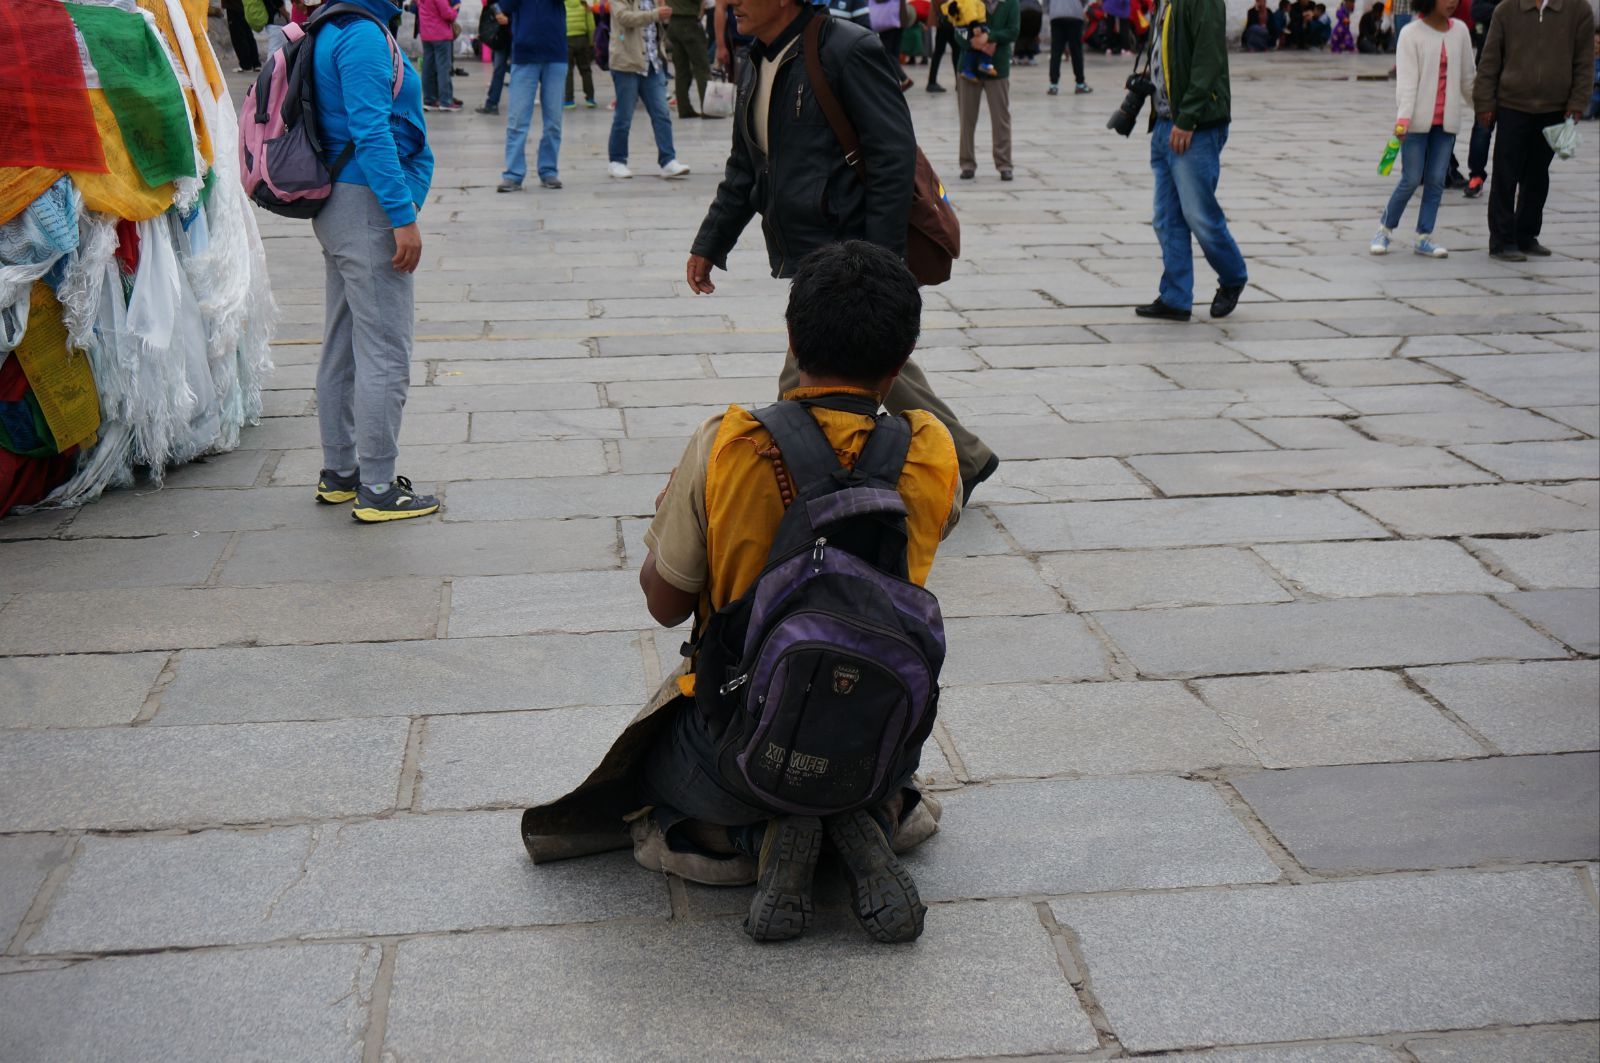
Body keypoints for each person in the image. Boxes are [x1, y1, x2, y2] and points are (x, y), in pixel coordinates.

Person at [519, 242, 958, 944]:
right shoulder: (933, 449)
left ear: (790, 337)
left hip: (738, 735)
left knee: (651, 770)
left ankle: (762, 838)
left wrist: (672, 510)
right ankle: (860, 819)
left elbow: (665, 603)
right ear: (904, 357)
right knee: (867, 750)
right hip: (869, 736)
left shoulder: (727, 444)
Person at [687, 0, 1000, 498]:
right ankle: (966, 457)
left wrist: (881, 265)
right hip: (806, 249)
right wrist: (710, 241)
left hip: (850, 247)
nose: (731, 4)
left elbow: (892, 157)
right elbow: (745, 166)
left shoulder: (849, 49)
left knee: (808, 372)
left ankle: (791, 483)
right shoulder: (755, 60)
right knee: (871, 361)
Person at [309, 0, 439, 521]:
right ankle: (379, 485)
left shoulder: (331, 26)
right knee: (385, 347)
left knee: (343, 341)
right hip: (365, 205)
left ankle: (341, 471)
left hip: (341, 203)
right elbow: (371, 130)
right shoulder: (360, 34)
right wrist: (401, 214)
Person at [1136, 0, 1249, 322]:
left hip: (1194, 126)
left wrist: (1188, 118)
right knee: (1166, 218)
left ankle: (1233, 276)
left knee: (1199, 215)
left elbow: (1207, 59)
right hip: (1163, 122)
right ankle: (1175, 297)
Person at [1474, 0, 1594, 259]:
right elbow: (1489, 60)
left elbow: (1584, 62)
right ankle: (1502, 240)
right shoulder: (1507, 9)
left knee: (1538, 175)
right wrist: (1484, 102)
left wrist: (1577, 102)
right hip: (1512, 104)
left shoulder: (1578, 10)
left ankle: (1526, 234)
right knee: (1506, 174)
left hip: (1554, 106)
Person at [1371, 0, 1474, 257]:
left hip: (1446, 122)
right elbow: (1406, 81)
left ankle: (1424, 236)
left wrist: (1483, 108)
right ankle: (1384, 230)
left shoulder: (1460, 30)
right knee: (1411, 179)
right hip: (1415, 122)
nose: (1452, 3)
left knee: (1437, 180)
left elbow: (1468, 78)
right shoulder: (1410, 33)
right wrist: (1403, 119)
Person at [607, 0, 694, 175]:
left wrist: (664, 17)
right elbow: (623, 17)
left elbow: (656, 26)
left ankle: (668, 160)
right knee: (623, 117)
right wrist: (655, 14)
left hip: (653, 63)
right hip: (627, 63)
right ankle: (617, 161)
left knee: (662, 114)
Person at [497, 0, 570, 190]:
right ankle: (513, 173)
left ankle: (548, 170)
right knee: (517, 120)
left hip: (555, 53)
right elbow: (505, 5)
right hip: (524, 54)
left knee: (554, 120)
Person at [953, 0, 1018, 180]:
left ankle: (1004, 164)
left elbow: (1013, 31)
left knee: (1001, 118)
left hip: (998, 68)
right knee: (967, 118)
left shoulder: (1010, 3)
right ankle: (967, 163)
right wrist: (973, 42)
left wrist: (990, 37)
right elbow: (958, 30)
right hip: (968, 70)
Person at [668, 0, 714, 115]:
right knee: (702, 68)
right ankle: (708, 109)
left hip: (673, 23)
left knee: (681, 70)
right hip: (689, 23)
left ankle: (684, 108)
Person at [418, 0, 461, 110]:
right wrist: (455, 9)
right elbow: (447, 15)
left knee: (428, 68)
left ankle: (429, 100)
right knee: (443, 68)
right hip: (440, 34)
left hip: (426, 34)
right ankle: (445, 101)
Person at [476, 1, 514, 113]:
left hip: (509, 33)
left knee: (503, 69)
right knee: (501, 69)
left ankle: (492, 103)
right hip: (502, 34)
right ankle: (492, 102)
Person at [1048, 0, 1092, 91]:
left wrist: (1052, 9)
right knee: (1076, 51)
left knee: (1056, 51)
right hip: (1074, 14)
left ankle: (1053, 85)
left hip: (1056, 15)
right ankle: (1080, 83)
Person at [564, 0, 598, 106]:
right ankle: (590, 98)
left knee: (568, 71)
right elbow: (591, 25)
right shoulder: (584, 4)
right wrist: (592, 42)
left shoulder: (562, 4)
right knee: (585, 70)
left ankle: (569, 100)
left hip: (566, 40)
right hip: (582, 39)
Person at [224, 0, 263, 71]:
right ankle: (255, 63)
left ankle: (245, 64)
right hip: (245, 8)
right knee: (248, 34)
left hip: (234, 8)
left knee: (238, 37)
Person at [926, 5, 959, 88]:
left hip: (945, 22)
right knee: (954, 52)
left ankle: (932, 82)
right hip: (946, 21)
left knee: (942, 52)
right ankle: (932, 82)